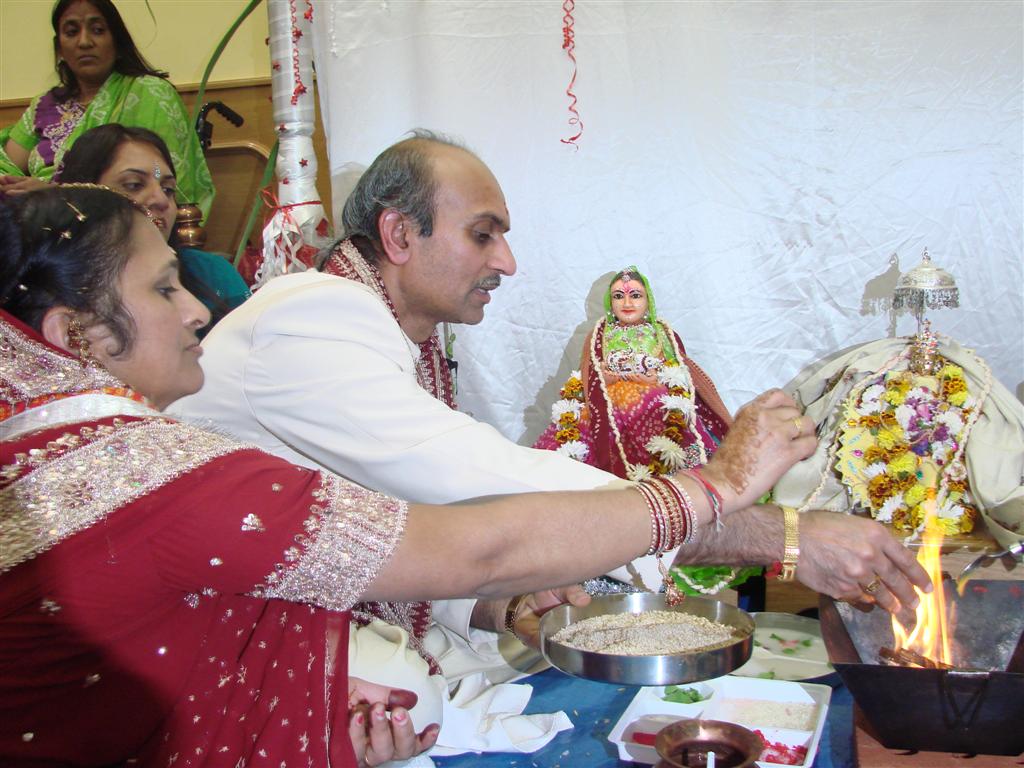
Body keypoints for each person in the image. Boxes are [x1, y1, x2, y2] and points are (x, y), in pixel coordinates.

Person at [0, 185, 816, 766]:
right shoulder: (154, 455)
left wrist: (485, 603)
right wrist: (721, 491)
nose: (198, 311)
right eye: (163, 286)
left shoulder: (50, 450)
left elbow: (216, 579)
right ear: (74, 333)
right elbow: (474, 533)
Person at [533, 265, 760, 596]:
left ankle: (671, 538)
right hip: (606, 410)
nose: (627, 303)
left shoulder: (661, 332)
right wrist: (618, 375)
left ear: (648, 300)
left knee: (671, 439)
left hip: (656, 406)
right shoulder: (600, 332)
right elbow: (591, 370)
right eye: (619, 296)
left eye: (635, 295)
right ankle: (605, 546)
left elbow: (677, 370)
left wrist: (645, 375)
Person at [0, 0, 213, 217]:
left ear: (118, 43)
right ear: (59, 49)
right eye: (72, 32)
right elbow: (5, 165)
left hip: (119, 228)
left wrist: (55, 195)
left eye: (98, 30)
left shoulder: (150, 94)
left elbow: (160, 175)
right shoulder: (44, 106)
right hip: (36, 228)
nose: (84, 42)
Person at [57, 123, 250, 328]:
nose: (161, 200)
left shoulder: (211, 273)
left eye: (168, 189)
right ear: (81, 197)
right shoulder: (54, 285)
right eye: (134, 185)